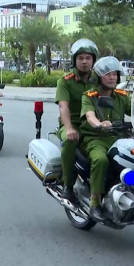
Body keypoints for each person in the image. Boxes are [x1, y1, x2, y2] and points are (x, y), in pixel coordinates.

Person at [79, 56, 131, 222]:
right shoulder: (89, 96)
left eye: (115, 74)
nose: (112, 77)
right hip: (96, 139)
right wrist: (99, 124)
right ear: (99, 77)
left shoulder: (122, 96)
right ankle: (95, 203)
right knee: (101, 160)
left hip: (119, 139)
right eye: (108, 74)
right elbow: (89, 115)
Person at [55, 39, 98, 203]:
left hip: (93, 125)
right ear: (74, 60)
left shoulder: (98, 80)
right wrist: (69, 128)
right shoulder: (65, 81)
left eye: (88, 58)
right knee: (69, 140)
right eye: (81, 58)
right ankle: (67, 184)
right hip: (72, 124)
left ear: (93, 60)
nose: (85, 62)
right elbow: (63, 107)